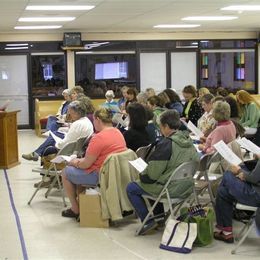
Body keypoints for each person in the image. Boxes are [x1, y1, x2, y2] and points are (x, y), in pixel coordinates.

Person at [127, 110, 199, 235]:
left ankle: (148, 221)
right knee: (153, 183)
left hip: (170, 189)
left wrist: (143, 174)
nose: (160, 130)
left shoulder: (166, 144)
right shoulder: (188, 141)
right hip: (187, 186)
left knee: (133, 187)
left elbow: (152, 175)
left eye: (160, 127)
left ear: (166, 126)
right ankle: (159, 218)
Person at [61, 108, 127, 219]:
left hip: (99, 175)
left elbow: (86, 164)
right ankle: (82, 205)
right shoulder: (118, 133)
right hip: (114, 173)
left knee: (65, 173)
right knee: (77, 172)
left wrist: (74, 162)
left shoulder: (98, 138)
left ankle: (75, 209)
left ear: (97, 119)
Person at [22, 100, 94, 161]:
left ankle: (37, 155)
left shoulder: (77, 124)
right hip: (78, 147)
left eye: (70, 113)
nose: (69, 115)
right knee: (56, 134)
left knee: (49, 145)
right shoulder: (86, 121)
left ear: (76, 113)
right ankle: (36, 153)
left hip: (69, 150)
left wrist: (57, 144)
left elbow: (65, 143)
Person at [214, 154, 260, 243]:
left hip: (255, 195)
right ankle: (227, 233)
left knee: (228, 174)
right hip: (256, 192)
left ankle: (225, 230)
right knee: (223, 191)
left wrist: (239, 171)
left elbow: (254, 178)